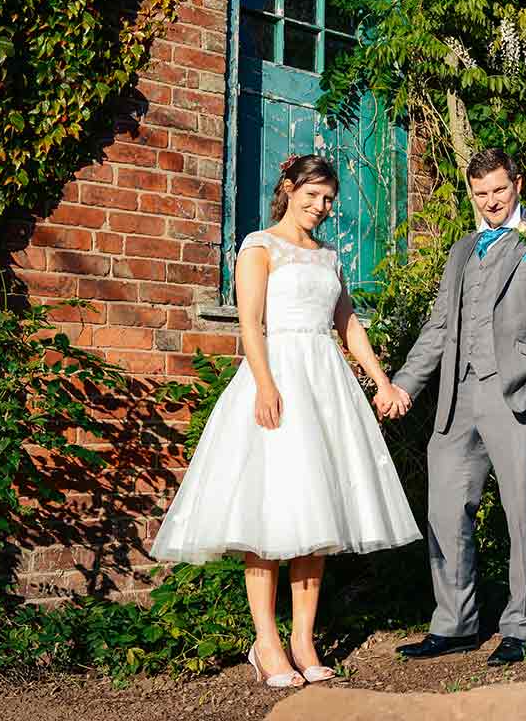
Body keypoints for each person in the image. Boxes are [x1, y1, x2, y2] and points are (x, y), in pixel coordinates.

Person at [151, 154, 421, 688]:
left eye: (328, 200)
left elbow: (348, 325)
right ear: (289, 189)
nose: (321, 207)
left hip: (326, 385)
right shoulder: (259, 246)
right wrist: (266, 385)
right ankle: (266, 643)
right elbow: (250, 323)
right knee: (269, 512)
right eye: (313, 195)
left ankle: (303, 639)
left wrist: (381, 380)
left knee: (315, 518)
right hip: (277, 378)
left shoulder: (328, 258)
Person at [378, 147, 526, 667]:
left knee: (523, 513)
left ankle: (522, 626)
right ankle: (455, 623)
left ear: (517, 184)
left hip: (519, 394)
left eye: (498, 189)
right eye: (481, 193)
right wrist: (404, 385)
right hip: (457, 396)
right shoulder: (462, 250)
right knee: (444, 510)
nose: (491, 201)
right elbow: (441, 327)